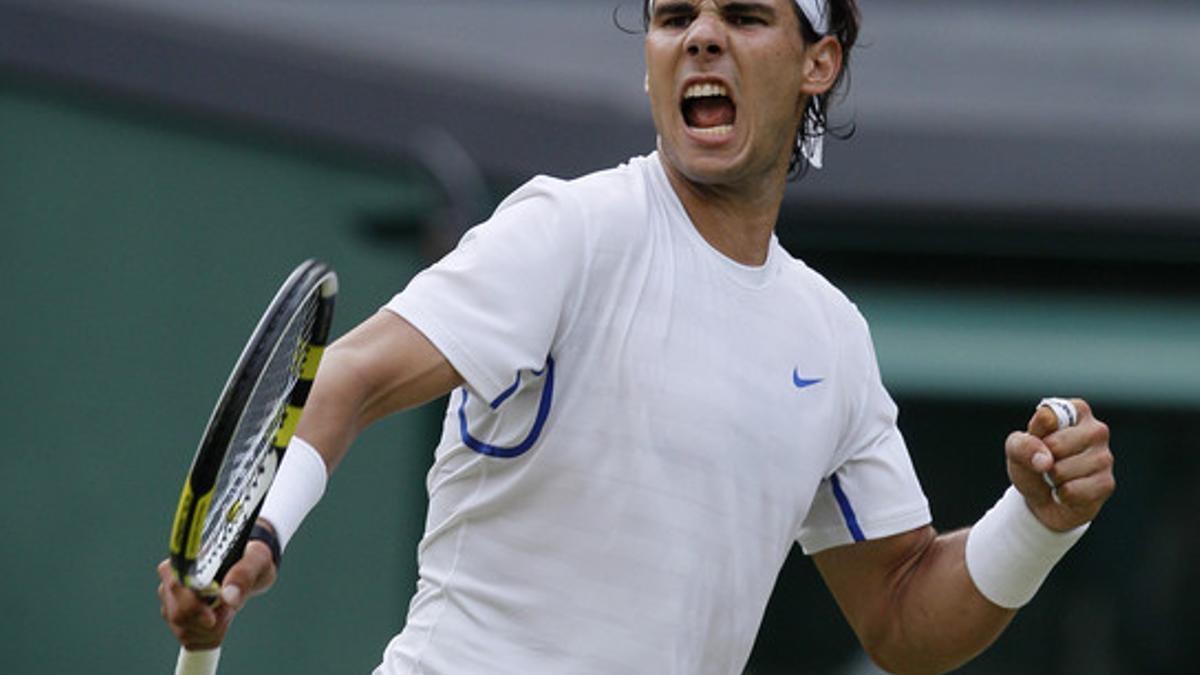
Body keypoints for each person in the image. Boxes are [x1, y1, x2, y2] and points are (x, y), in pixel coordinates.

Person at [157, 1, 1116, 673]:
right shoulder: (568, 232)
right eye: (673, 17)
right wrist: (262, 527)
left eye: (743, 15)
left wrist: (1036, 523)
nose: (701, 37)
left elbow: (904, 616)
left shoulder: (832, 340)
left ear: (818, 61)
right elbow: (355, 373)